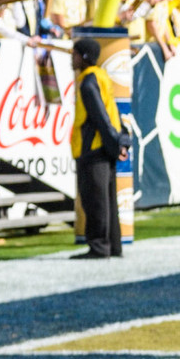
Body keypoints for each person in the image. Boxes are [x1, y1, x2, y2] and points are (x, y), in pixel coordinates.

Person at [68, 37, 127, 258]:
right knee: (108, 200)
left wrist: (114, 141)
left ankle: (99, 246)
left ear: (83, 57)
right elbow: (112, 112)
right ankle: (113, 245)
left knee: (94, 200)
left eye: (74, 54)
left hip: (93, 148)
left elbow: (99, 116)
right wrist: (120, 140)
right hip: (104, 147)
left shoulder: (87, 81)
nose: (71, 59)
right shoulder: (102, 76)